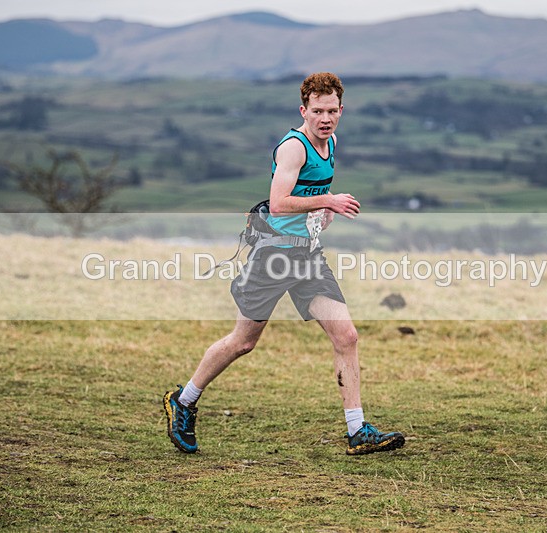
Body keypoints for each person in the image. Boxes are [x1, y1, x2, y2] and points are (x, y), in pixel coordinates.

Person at [164, 72, 404, 456]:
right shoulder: (293, 148)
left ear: (341, 110)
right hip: (273, 258)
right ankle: (185, 399)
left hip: (307, 257)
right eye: (317, 111)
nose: (325, 119)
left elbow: (314, 187)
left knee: (347, 336)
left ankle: (357, 430)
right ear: (303, 110)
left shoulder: (331, 143)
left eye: (332, 111)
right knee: (243, 342)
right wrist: (328, 201)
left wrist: (323, 210)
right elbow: (278, 204)